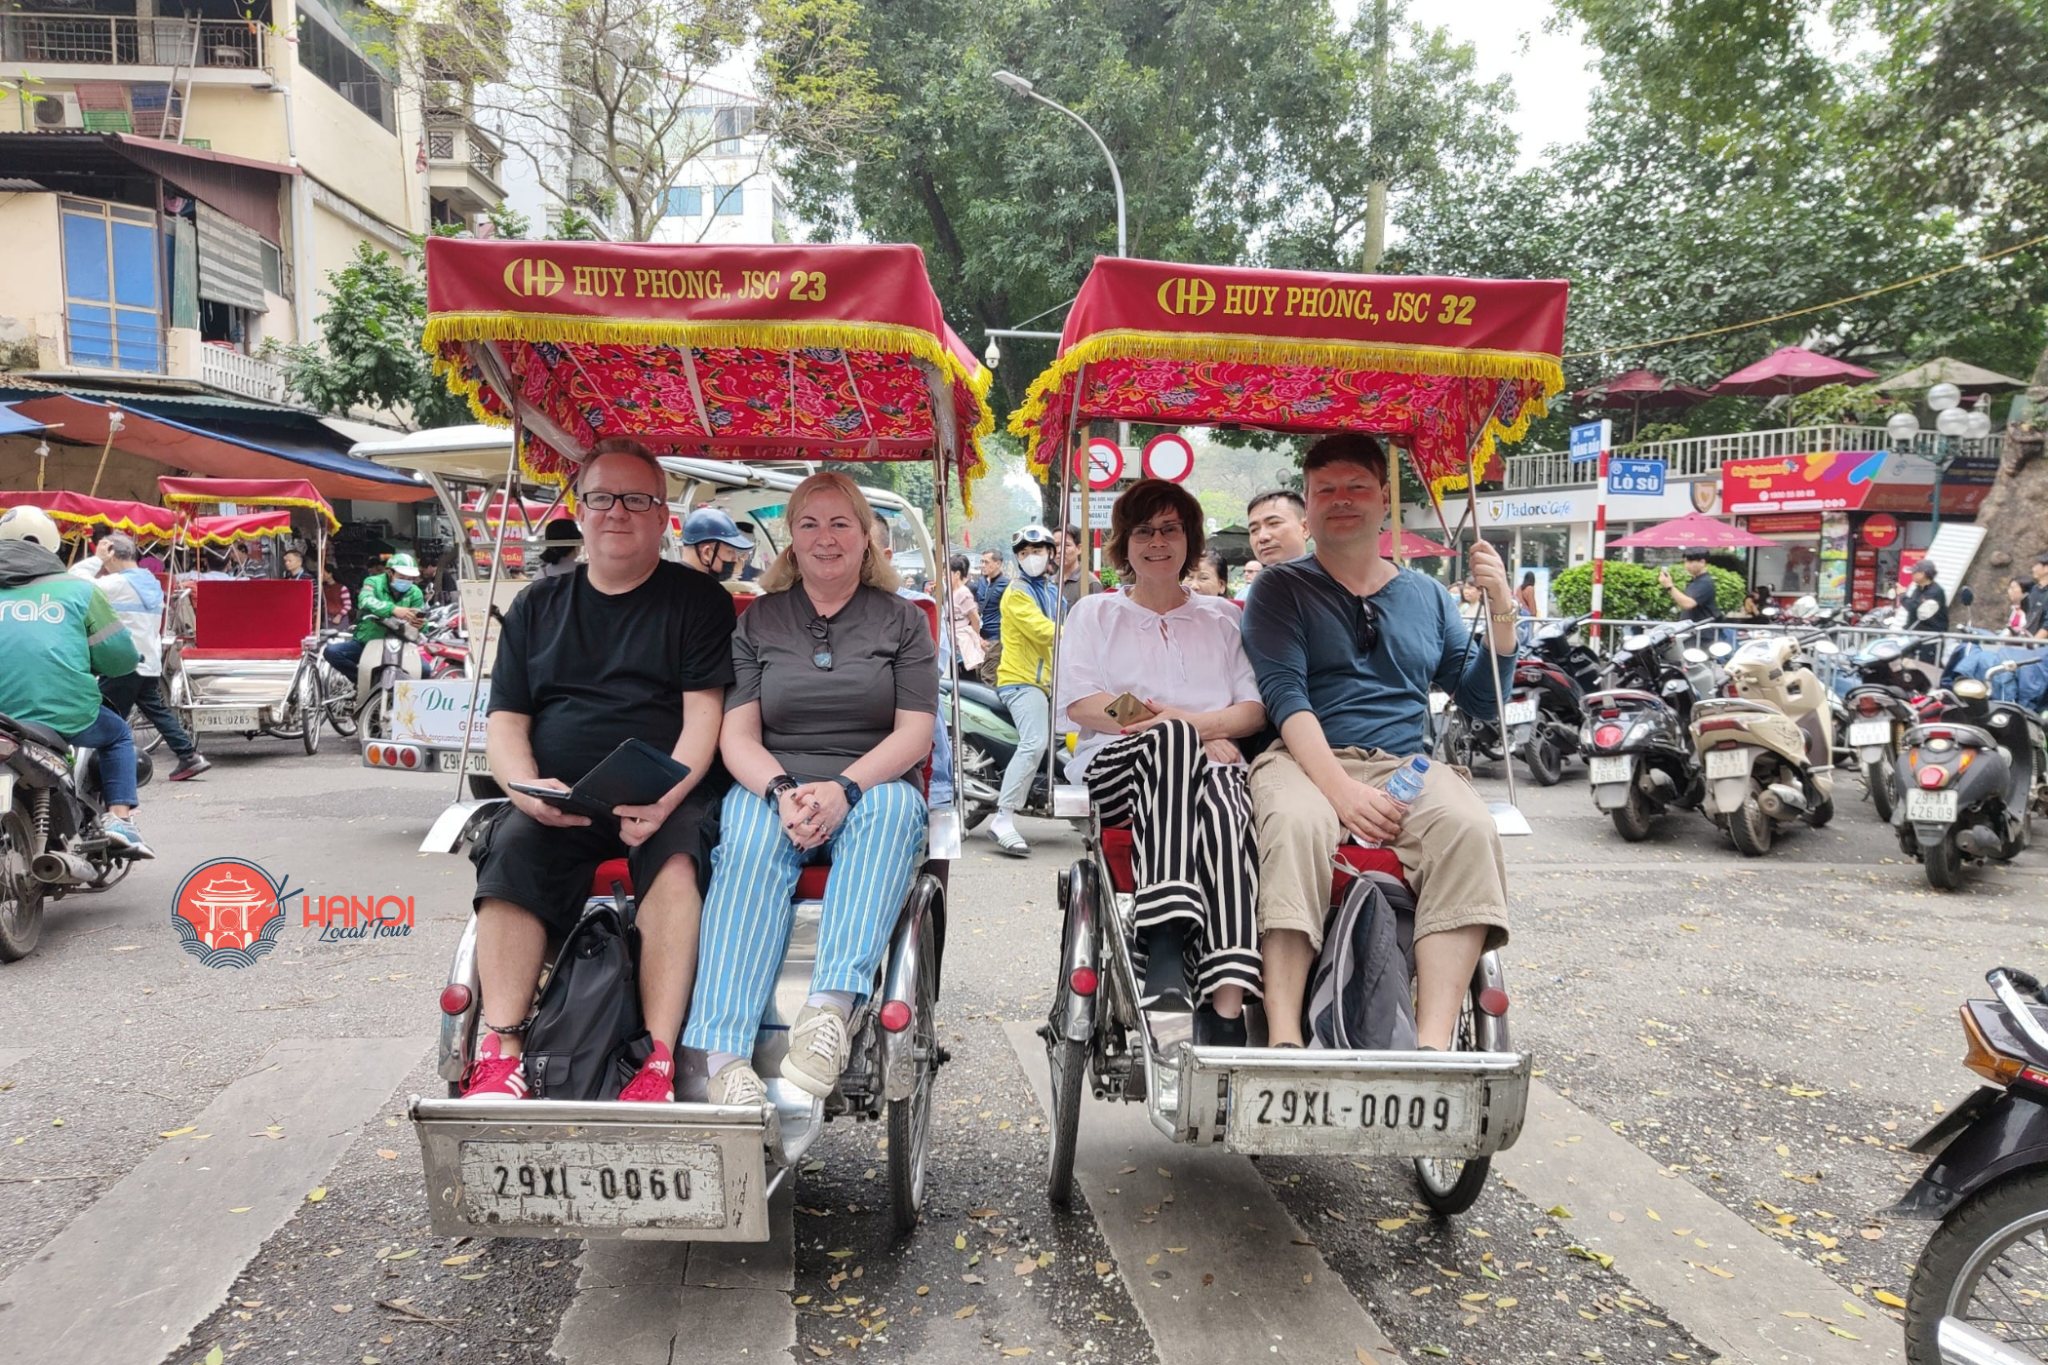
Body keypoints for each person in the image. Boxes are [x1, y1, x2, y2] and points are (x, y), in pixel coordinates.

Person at [461, 439, 737, 1102]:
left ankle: (659, 1061)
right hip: (559, 800)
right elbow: (505, 725)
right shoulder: (535, 607)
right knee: (509, 851)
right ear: (579, 511)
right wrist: (525, 791)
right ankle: (503, 1051)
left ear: (663, 515)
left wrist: (667, 799)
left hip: (665, 793)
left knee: (675, 867)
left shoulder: (697, 601)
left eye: (636, 499)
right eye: (602, 498)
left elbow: (705, 717)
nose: (617, 512)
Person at [1240, 434, 1514, 1052]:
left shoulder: (1427, 595)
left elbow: (1477, 700)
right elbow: (1286, 696)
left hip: (1404, 764)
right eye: (1325, 491)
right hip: (1305, 760)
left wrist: (1501, 612)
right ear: (1307, 510)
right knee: (1296, 825)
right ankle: (1282, 1039)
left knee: (1471, 828)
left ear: (1384, 499)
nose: (1342, 502)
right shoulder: (1279, 589)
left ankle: (1434, 1048)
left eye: (1356, 488)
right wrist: (1338, 791)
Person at [683, 472, 935, 1107]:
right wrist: (782, 792)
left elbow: (915, 734)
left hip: (871, 780)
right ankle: (723, 1056)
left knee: (893, 810)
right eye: (810, 525)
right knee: (742, 843)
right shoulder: (761, 620)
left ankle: (828, 1013)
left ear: (867, 537)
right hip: (776, 781)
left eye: (840, 524)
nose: (826, 539)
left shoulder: (903, 621)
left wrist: (846, 788)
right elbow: (736, 736)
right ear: (791, 540)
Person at [1057, 480, 1264, 1046]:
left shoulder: (1223, 617)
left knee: (1226, 801)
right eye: (1144, 530)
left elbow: (1252, 708)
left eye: (1170, 529)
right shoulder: (1095, 613)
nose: (1157, 541)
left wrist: (1203, 731)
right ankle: (1165, 936)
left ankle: (1224, 1005)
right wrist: (1183, 725)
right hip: (1119, 768)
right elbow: (1084, 703)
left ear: (1189, 541)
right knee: (1171, 739)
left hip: (1211, 774)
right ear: (1124, 544)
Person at [0, 507, 150, 856]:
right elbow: (119, 660)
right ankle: (119, 818)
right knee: (117, 735)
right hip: (64, 714)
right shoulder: (79, 591)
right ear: (52, 544)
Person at [82, 533, 210, 782]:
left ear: (112, 555)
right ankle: (189, 755)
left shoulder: (119, 583)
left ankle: (107, 769)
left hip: (123, 661)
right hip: (148, 660)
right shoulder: (149, 580)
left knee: (104, 716)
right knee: (156, 711)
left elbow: (75, 583)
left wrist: (95, 560)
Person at [990, 524, 1061, 856]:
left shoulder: (1051, 591)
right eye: (1024, 553)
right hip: (1021, 682)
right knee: (1035, 743)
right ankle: (1003, 816)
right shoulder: (1017, 592)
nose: (1031, 558)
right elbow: (1044, 631)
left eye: (1037, 552)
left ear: (1050, 554)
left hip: (1048, 682)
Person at [323, 553, 427, 681]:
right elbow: (365, 600)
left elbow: (421, 620)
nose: (406, 581)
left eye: (410, 578)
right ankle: (362, 680)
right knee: (332, 652)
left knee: (425, 671)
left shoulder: (415, 592)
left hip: (400, 646)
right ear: (389, 572)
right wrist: (393, 609)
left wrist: (421, 625)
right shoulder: (373, 582)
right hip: (368, 642)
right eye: (402, 576)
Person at [681, 507, 754, 585]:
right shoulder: (705, 593)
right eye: (730, 551)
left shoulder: (673, 584)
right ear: (706, 553)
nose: (735, 559)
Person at [1246, 488, 1310, 566]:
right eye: (1254, 530)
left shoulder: (1326, 574)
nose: (1262, 537)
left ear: (1305, 528)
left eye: (1274, 523)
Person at [946, 554, 986, 674]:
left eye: (947, 573)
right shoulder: (953, 592)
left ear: (957, 574)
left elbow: (975, 619)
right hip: (955, 643)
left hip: (963, 646)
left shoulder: (963, 593)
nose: (944, 577)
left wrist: (975, 637)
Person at [974, 548, 1009, 683]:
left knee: (988, 676)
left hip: (996, 637)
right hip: (980, 636)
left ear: (998, 563)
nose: (983, 565)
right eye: (982, 562)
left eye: (986, 562)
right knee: (978, 673)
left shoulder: (1006, 585)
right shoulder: (981, 582)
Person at [1658, 549, 1719, 625]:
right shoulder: (1695, 581)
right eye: (1685, 562)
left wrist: (1670, 587)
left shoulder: (1705, 582)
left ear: (1702, 562)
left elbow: (1688, 604)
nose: (1687, 565)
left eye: (1690, 562)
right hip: (1692, 631)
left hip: (1701, 633)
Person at [1901, 561, 1949, 634]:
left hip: (1930, 636)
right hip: (1915, 634)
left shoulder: (1935, 592)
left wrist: (1902, 595)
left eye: (1914, 572)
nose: (1912, 575)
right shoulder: (1918, 589)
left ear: (1922, 574)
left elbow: (1913, 607)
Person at [1060, 525, 1101, 609]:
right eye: (1056, 545)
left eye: (1067, 545)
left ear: (1079, 548)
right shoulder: (1049, 582)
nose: (1060, 550)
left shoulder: (1090, 583)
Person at [320, 563, 353, 630]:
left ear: (330, 574)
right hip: (327, 618)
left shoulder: (342, 588)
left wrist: (339, 616)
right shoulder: (323, 588)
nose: (321, 575)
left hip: (340, 619)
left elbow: (348, 605)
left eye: (323, 573)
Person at [2025, 553, 2048, 638]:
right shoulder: (2035, 589)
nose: (2033, 569)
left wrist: (2033, 644)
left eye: (2037, 565)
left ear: (2046, 568)